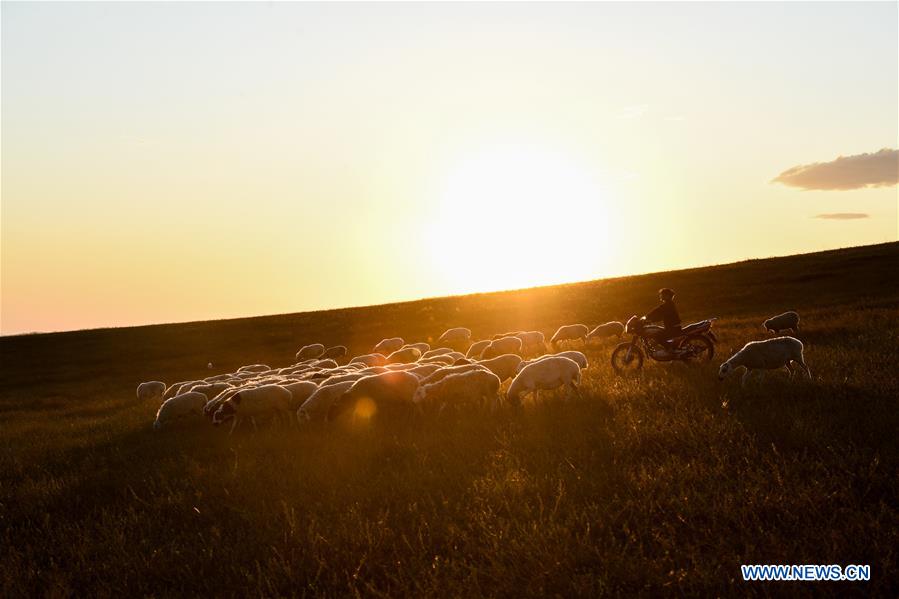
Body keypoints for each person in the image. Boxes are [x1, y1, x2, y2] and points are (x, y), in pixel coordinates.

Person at [642, 287, 682, 357]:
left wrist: (647, 317)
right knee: (659, 333)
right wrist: (649, 318)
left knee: (658, 336)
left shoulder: (668, 305)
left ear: (667, 296)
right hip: (672, 327)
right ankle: (668, 348)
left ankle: (670, 350)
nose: (660, 296)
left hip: (673, 328)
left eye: (662, 294)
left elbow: (657, 311)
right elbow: (659, 314)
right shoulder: (668, 304)